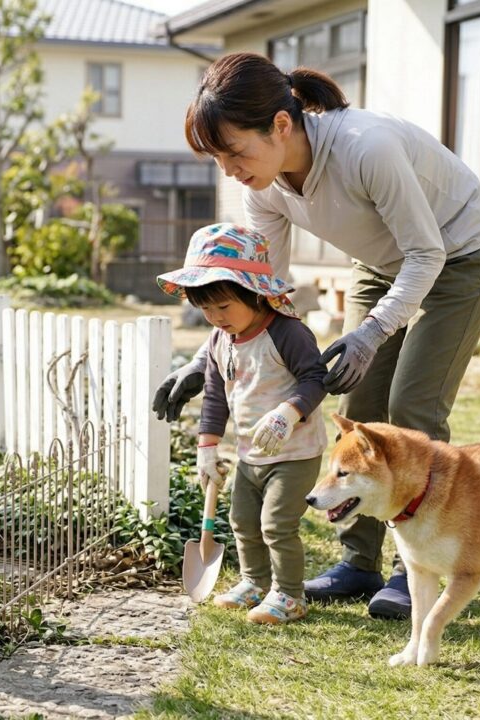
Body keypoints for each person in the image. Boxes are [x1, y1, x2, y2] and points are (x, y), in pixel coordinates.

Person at [153, 52, 480, 620]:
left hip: (458, 252)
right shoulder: (262, 186)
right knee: (358, 408)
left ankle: (408, 569)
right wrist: (204, 360)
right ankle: (357, 562)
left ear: (281, 125)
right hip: (384, 262)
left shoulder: (367, 147)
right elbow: (262, 293)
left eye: (234, 151)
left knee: (413, 404)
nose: (228, 169)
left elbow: (427, 252)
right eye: (217, 158)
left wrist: (369, 335)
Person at [157, 223, 328, 625]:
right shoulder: (221, 341)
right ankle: (254, 581)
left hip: (295, 452)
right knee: (242, 521)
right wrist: (207, 447)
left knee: (275, 524)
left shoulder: (288, 333)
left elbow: (316, 378)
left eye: (224, 307)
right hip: (251, 451)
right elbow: (216, 394)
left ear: (255, 293)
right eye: (207, 310)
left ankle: (290, 595)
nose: (216, 318)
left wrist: (289, 414)